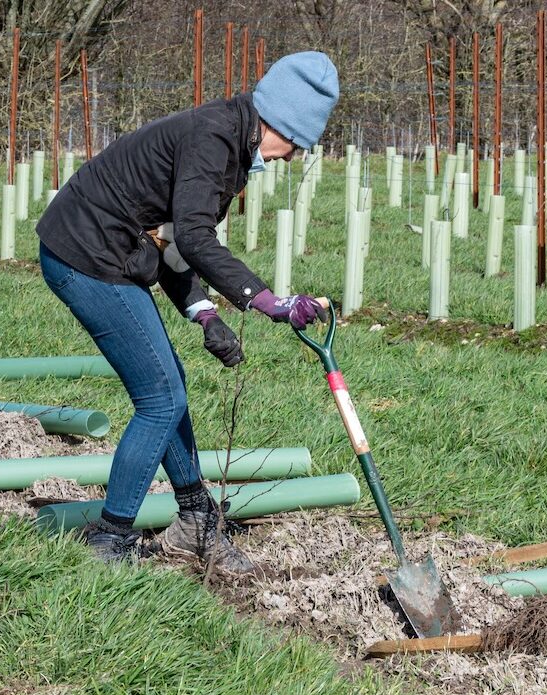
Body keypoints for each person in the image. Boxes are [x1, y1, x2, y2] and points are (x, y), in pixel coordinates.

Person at [36, 52, 337, 574]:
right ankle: (110, 540)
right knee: (159, 397)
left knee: (168, 385)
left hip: (111, 251)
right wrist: (266, 301)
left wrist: (204, 313)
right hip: (84, 254)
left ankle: (195, 519)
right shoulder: (214, 138)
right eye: (297, 143)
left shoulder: (233, 144)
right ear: (281, 121)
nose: (291, 157)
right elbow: (196, 238)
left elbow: (172, 238)